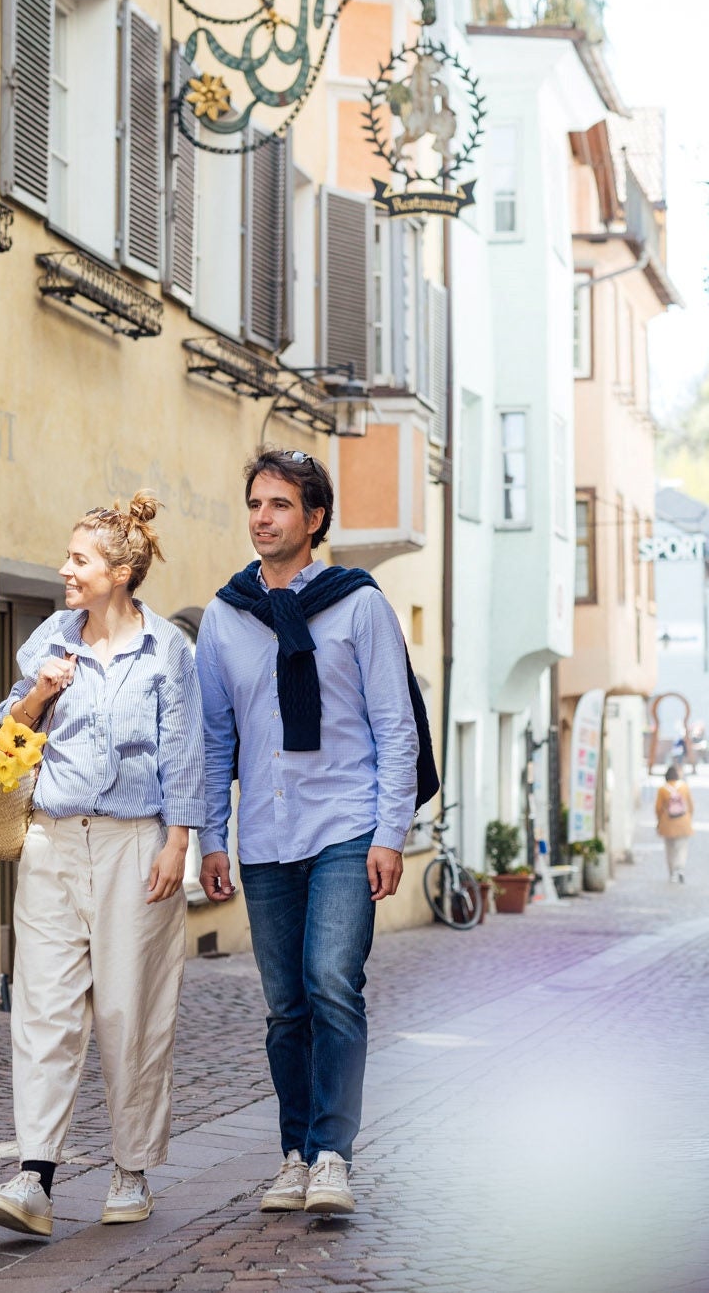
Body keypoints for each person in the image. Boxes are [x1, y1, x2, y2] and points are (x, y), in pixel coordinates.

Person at [196, 450, 431, 1218]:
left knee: (332, 984)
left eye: (280, 506)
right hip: (264, 835)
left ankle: (333, 1153)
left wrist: (390, 832)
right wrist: (210, 838)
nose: (263, 518)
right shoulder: (226, 615)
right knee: (284, 1006)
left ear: (314, 518)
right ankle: (294, 1152)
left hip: (344, 825)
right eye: (256, 504)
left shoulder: (358, 605)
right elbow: (213, 736)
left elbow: (395, 726)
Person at [0, 494, 201, 1238]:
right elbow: (9, 734)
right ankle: (34, 1177)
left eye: (79, 560)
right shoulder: (47, 640)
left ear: (122, 572)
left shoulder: (167, 651)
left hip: (139, 843)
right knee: (43, 1005)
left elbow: (184, 752)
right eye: (68, 558)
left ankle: (130, 1168)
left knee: (128, 1011)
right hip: (52, 839)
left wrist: (180, 839)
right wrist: (40, 690)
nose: (65, 570)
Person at [653, 764, 694, 884]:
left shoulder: (662, 789)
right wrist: (689, 818)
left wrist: (659, 822)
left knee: (669, 849)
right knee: (682, 848)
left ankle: (672, 873)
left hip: (668, 823)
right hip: (683, 822)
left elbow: (658, 808)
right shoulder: (684, 787)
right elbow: (691, 805)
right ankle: (680, 868)